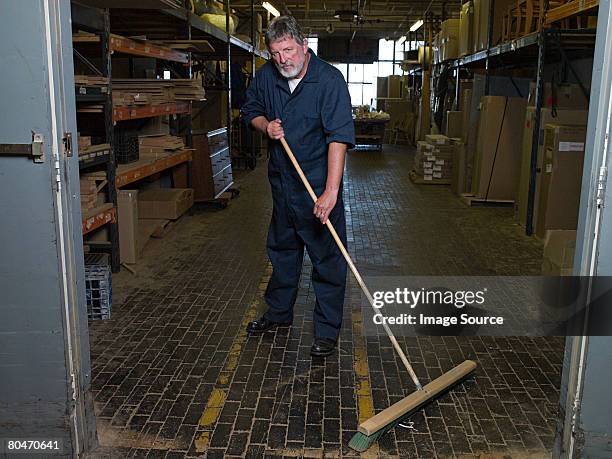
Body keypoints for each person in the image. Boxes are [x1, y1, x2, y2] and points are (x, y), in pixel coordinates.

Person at [241, 15, 355, 357]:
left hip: (318, 187)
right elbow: (250, 110)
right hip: (283, 184)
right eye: (275, 53)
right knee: (283, 254)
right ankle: (278, 314)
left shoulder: (329, 81)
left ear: (305, 46)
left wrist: (331, 192)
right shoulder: (267, 76)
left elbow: (339, 137)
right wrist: (266, 127)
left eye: (288, 50)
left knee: (327, 260)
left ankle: (326, 331)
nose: (283, 60)